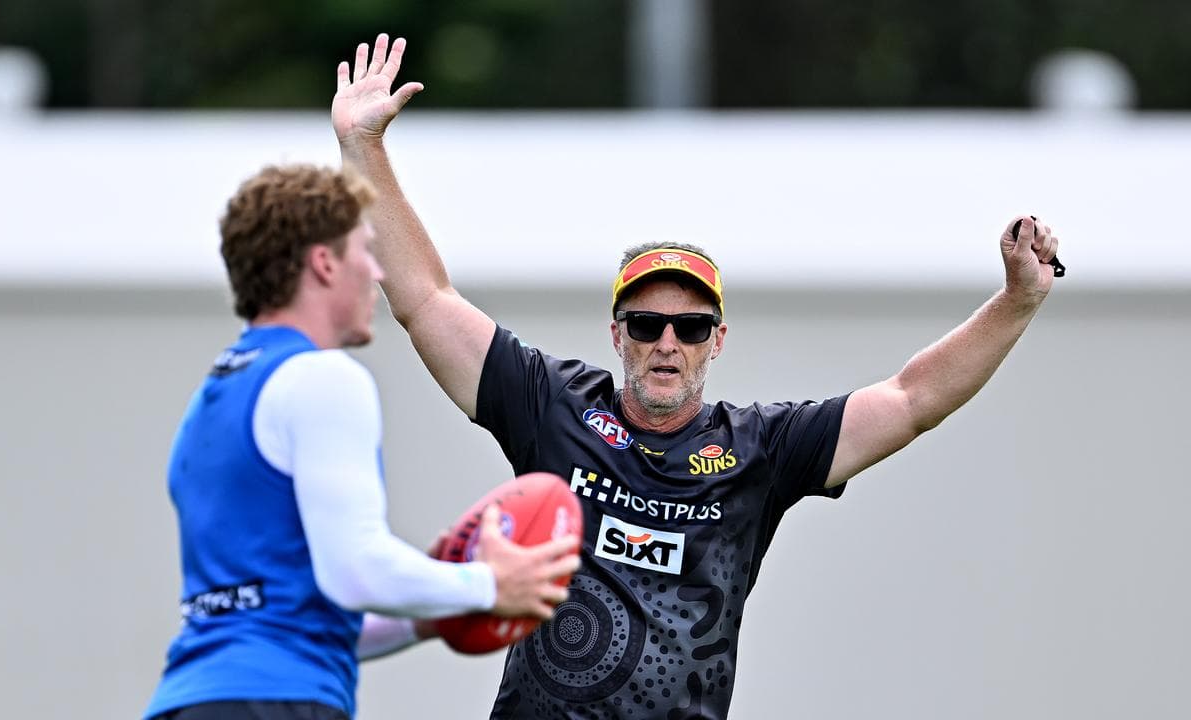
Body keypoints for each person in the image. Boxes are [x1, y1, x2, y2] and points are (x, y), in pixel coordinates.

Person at [333, 35, 1063, 720]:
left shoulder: (761, 447)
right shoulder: (551, 406)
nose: (667, 343)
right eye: (647, 325)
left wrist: (1017, 300)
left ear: (718, 341)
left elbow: (912, 399)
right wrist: (362, 147)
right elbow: (426, 300)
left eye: (690, 327)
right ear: (617, 335)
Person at [143, 164, 581, 720]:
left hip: (190, 701)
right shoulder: (324, 378)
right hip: (277, 705)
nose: (375, 271)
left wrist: (428, 613)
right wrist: (487, 583)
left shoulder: (216, 397)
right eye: (362, 251)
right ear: (324, 263)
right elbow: (353, 570)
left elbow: (302, 619)